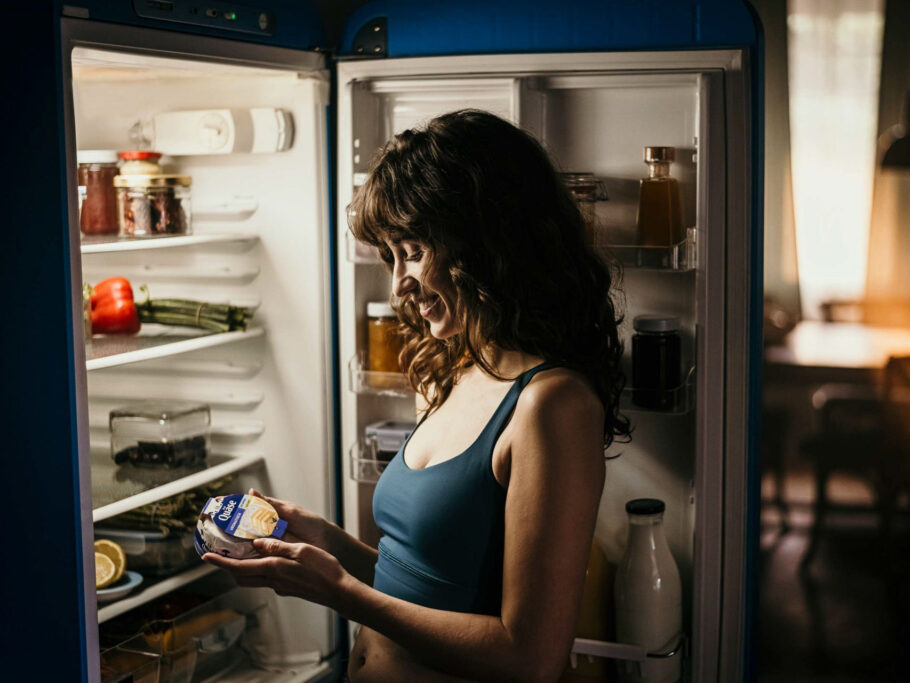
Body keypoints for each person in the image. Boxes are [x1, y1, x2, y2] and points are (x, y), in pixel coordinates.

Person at [203, 109, 630, 682]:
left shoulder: (553, 406)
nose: (398, 283)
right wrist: (328, 545)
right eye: (391, 256)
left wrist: (340, 594)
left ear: (485, 241)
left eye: (413, 251)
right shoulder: (458, 370)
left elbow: (528, 657)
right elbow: (431, 583)